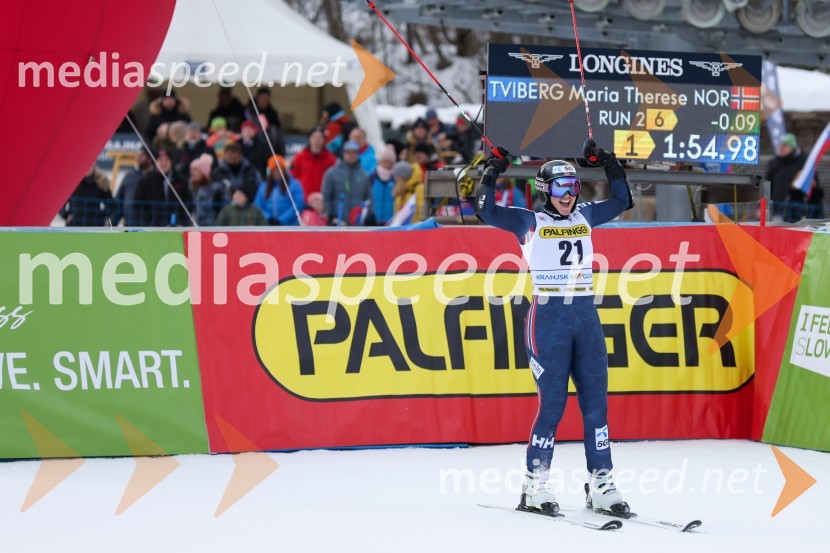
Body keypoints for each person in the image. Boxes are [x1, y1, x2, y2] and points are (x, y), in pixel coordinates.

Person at [474, 140, 634, 517]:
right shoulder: (529, 221)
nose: (569, 196)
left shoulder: (586, 216)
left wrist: (609, 163)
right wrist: (493, 168)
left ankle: (601, 482)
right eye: (561, 188)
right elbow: (484, 209)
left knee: (596, 403)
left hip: (584, 315)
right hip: (547, 319)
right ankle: (535, 484)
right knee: (554, 404)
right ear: (546, 190)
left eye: (574, 187)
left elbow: (622, 200)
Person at [765, 133, 815, 222]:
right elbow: (767, 184)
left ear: (793, 147)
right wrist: (764, 206)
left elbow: (814, 184)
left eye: (785, 145)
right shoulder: (774, 163)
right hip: (777, 209)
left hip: (797, 210)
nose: (782, 148)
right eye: (781, 145)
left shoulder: (804, 162)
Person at [321, 140, 370, 225]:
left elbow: (368, 198)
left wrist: (368, 216)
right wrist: (330, 216)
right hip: (336, 221)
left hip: (356, 223)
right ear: (343, 153)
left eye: (354, 152)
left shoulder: (363, 175)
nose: (351, 155)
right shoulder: (332, 173)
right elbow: (325, 197)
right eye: (348, 152)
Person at [254, 155, 305, 226]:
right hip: (267, 225)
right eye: (274, 169)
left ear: (284, 170)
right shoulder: (263, 187)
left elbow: (298, 204)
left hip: (290, 225)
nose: (277, 172)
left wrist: (281, 219)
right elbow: (257, 206)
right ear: (269, 171)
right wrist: (268, 218)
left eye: (280, 169)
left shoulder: (294, 185)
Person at [112, 147, 154, 226]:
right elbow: (119, 201)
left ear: (150, 157)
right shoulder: (129, 176)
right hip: (130, 224)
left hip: (149, 226)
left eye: (141, 155)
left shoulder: (155, 177)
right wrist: (112, 223)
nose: (138, 158)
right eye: (137, 155)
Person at [291, 127, 337, 197]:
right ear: (309, 139)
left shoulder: (331, 159)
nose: (316, 140)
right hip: (304, 201)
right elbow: (291, 178)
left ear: (324, 140)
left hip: (323, 202)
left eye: (319, 138)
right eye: (314, 137)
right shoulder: (299, 157)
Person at [190, 153, 226, 226]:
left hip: (212, 228)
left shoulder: (216, 189)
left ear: (204, 172)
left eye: (195, 170)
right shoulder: (194, 189)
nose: (192, 173)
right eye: (191, 170)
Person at [370, 148, 396, 225]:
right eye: (384, 161)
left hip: (390, 218)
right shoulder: (372, 176)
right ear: (380, 161)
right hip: (373, 217)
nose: (386, 164)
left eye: (389, 162)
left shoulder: (395, 178)